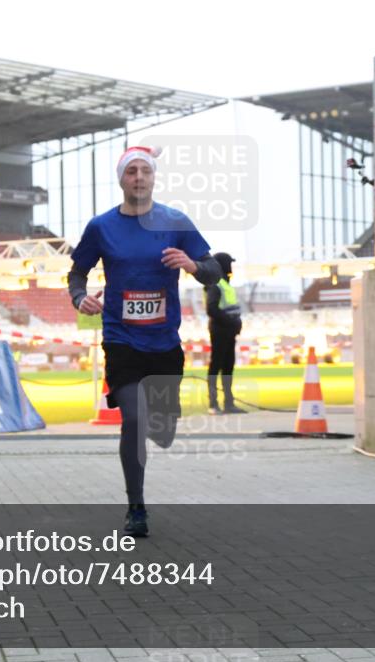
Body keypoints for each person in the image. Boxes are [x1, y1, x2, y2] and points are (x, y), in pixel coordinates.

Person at [67, 145, 221, 538]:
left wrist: (193, 265)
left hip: (164, 342)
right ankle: (136, 508)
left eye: (145, 171)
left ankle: (162, 420)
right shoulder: (101, 227)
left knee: (162, 430)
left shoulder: (175, 221)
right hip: (121, 340)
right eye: (131, 171)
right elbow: (77, 274)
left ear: (154, 177)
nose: (138, 177)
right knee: (133, 421)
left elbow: (214, 270)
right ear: (121, 179)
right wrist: (79, 297)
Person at [203, 252, 246, 415]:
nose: (231, 267)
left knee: (228, 366)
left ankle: (229, 403)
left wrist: (236, 323)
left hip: (228, 331)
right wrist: (231, 322)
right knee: (217, 365)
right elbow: (211, 309)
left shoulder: (226, 284)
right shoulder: (216, 284)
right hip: (220, 330)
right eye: (229, 263)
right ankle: (213, 404)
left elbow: (231, 308)